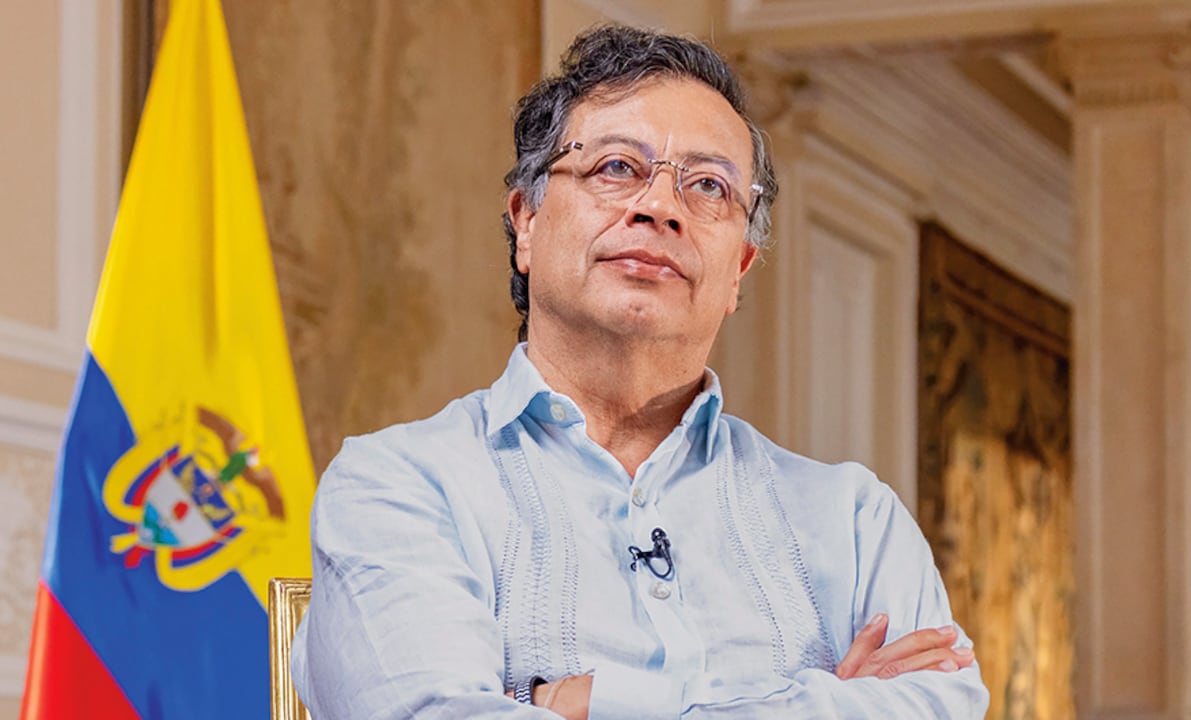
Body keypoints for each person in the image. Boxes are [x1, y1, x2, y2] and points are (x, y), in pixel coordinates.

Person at [292, 25, 989, 719]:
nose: (659, 208)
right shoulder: (399, 486)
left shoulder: (855, 521)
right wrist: (826, 701)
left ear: (739, 270)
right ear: (526, 221)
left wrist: (575, 702)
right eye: (617, 168)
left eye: (709, 186)